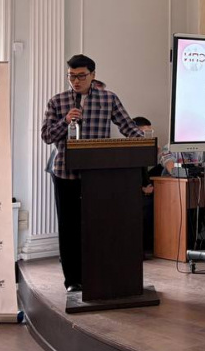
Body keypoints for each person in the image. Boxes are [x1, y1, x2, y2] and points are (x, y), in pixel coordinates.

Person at [40, 54, 144, 292]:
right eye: (71, 76)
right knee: (69, 228)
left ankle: (97, 274)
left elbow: (128, 127)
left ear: (93, 75)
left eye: (81, 76)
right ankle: (72, 280)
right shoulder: (57, 101)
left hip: (98, 176)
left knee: (97, 225)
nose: (76, 81)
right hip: (65, 173)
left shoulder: (108, 99)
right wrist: (65, 121)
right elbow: (46, 136)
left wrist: (146, 144)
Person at [133, 116, 163, 257]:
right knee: (148, 206)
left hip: (147, 185)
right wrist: (144, 189)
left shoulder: (144, 152)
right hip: (136, 193)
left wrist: (155, 154)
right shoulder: (129, 153)